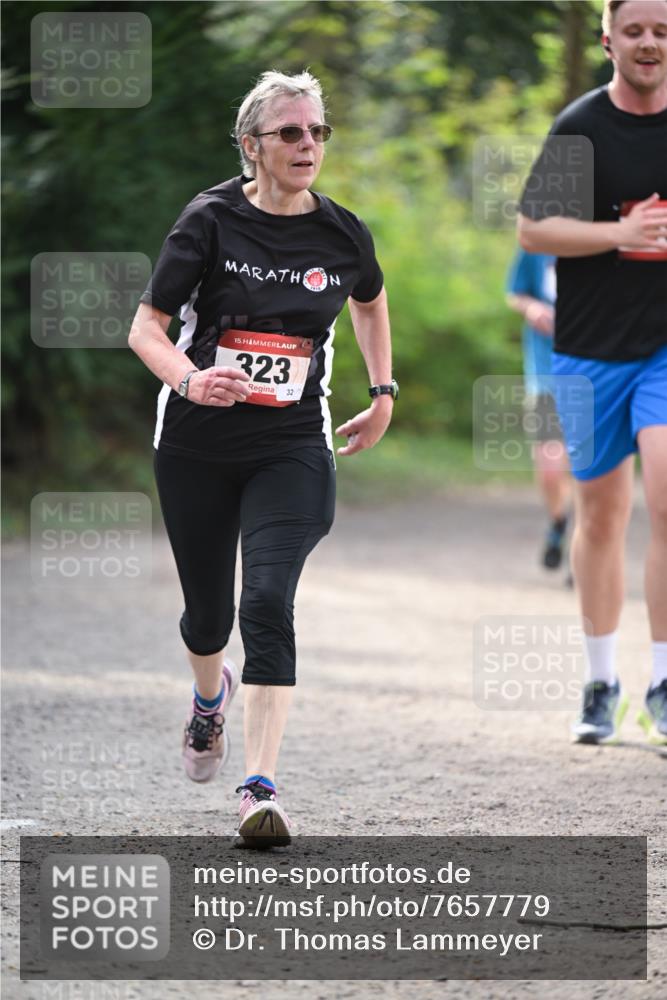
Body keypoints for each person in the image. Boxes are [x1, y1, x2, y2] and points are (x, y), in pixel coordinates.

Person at [129, 70, 396, 844]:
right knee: (208, 617)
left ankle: (259, 786)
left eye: (317, 131)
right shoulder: (209, 220)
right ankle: (208, 699)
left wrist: (382, 391)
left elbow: (370, 300)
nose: (307, 144)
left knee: (268, 600)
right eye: (289, 133)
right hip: (197, 444)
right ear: (252, 146)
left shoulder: (342, 233)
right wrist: (190, 379)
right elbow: (146, 328)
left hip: (291, 443)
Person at [518, 0, 667, 745]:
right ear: (608, 40)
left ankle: (663, 684)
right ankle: (601, 682)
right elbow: (532, 230)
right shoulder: (580, 127)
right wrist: (621, 232)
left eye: (662, 30)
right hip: (589, 349)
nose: (649, 42)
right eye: (634, 30)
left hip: (663, 348)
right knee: (602, 516)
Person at [506, 249, 572, 572]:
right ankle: (559, 521)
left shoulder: (605, 235)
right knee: (550, 468)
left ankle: (582, 551)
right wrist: (531, 307)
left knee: (585, 468)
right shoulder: (534, 245)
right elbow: (514, 293)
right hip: (544, 375)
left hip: (593, 375)